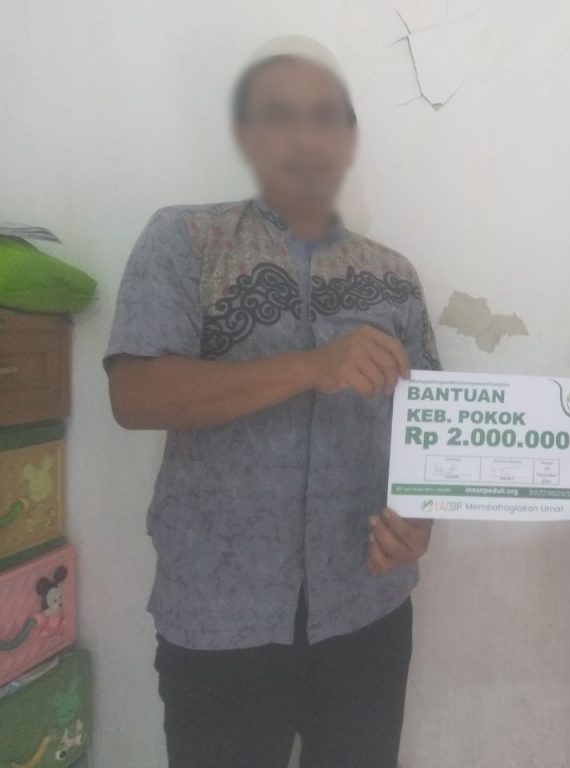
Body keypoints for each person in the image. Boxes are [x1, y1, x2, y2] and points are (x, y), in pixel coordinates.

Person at [104, 35, 439, 768]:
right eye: (279, 115)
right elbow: (134, 394)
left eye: (325, 116)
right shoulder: (185, 240)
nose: (304, 136)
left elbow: (432, 435)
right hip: (219, 621)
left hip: (367, 610)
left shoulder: (394, 277)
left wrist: (420, 527)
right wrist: (310, 366)